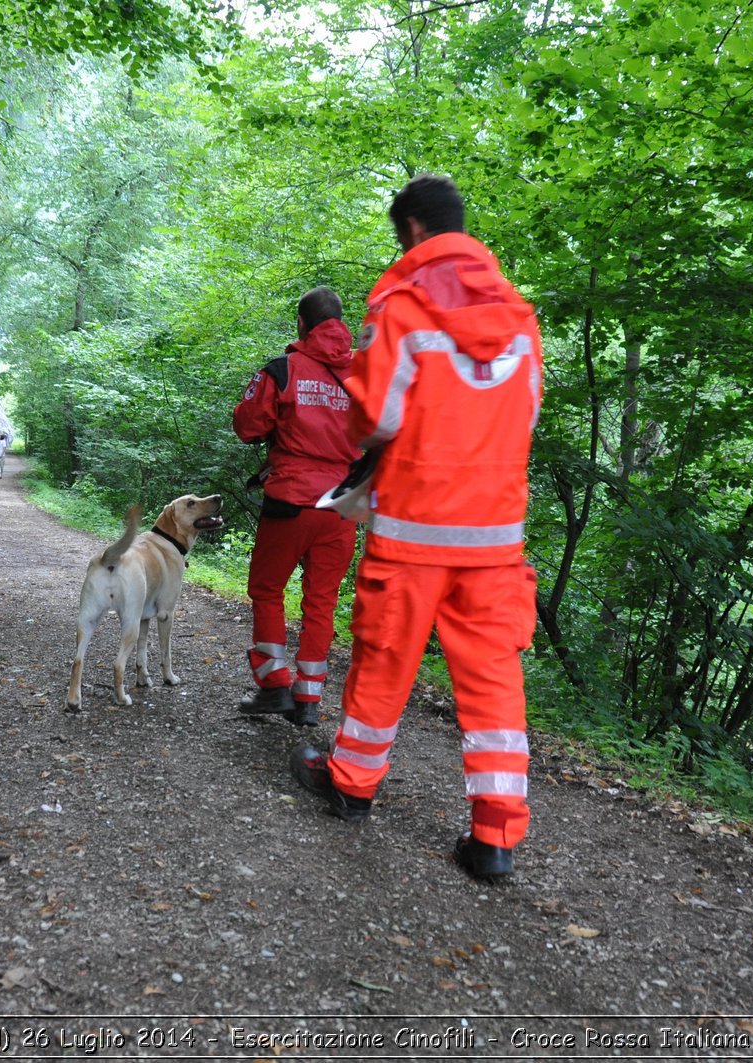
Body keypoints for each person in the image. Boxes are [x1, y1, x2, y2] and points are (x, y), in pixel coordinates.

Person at [291, 175, 544, 881]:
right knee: (494, 679)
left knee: (384, 656)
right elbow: (525, 416)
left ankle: (351, 784)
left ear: (409, 230)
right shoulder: (520, 317)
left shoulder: (403, 304)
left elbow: (379, 417)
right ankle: (494, 837)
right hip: (493, 536)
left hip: (414, 527)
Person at [233, 287, 359, 727]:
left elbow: (248, 426)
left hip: (291, 500)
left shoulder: (283, 369)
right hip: (343, 505)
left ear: (302, 324)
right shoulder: (365, 373)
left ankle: (273, 687)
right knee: (320, 602)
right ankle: (308, 698)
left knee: (267, 590)